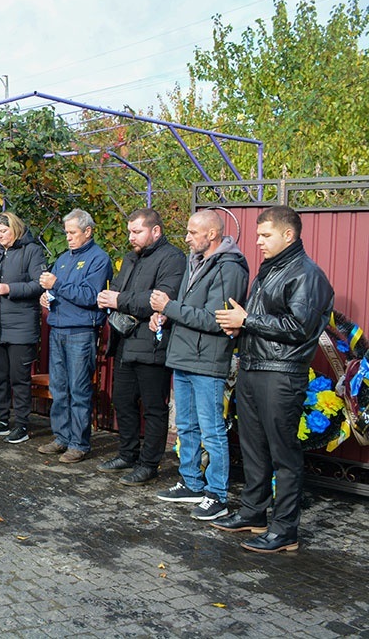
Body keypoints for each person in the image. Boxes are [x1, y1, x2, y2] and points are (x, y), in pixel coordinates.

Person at [212, 206, 333, 553]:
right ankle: (253, 514)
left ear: (289, 235)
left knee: (284, 454)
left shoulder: (307, 274)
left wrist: (246, 322)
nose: (258, 242)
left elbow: (300, 327)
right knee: (253, 449)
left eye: (265, 235)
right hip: (253, 368)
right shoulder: (270, 269)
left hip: (281, 374)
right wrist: (240, 325)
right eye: (258, 235)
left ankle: (285, 531)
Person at [150, 210, 250, 521]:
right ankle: (191, 482)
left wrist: (169, 307)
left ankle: (217, 495)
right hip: (183, 355)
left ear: (212, 235)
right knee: (187, 426)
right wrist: (165, 316)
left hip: (207, 360)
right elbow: (187, 308)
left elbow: (216, 319)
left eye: (194, 232)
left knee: (212, 431)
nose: (188, 238)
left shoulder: (230, 268)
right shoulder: (196, 261)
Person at [96, 207, 185, 486]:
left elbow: (159, 299)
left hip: (153, 345)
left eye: (137, 232)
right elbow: (120, 290)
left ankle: (149, 464)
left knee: (154, 408)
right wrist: (112, 298)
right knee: (122, 401)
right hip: (125, 342)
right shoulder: (131, 258)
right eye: (129, 232)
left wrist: (120, 300)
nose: (131, 237)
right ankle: (127, 453)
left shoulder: (173, 258)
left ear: (155, 231)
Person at [37, 209, 113, 462]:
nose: (68, 237)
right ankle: (61, 438)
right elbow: (60, 291)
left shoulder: (99, 260)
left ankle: (79, 443)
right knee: (59, 389)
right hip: (58, 327)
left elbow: (90, 296)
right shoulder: (63, 258)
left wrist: (56, 285)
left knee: (79, 389)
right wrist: (47, 297)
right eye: (66, 232)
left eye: (73, 233)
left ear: (87, 231)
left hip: (81, 331)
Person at [0, 212, 46, 444]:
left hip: (21, 326)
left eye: (3, 231)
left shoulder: (32, 250)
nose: (0, 236)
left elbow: (38, 285)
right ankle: (2, 420)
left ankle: (22, 425)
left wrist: (11, 289)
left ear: (15, 229)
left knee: (20, 378)